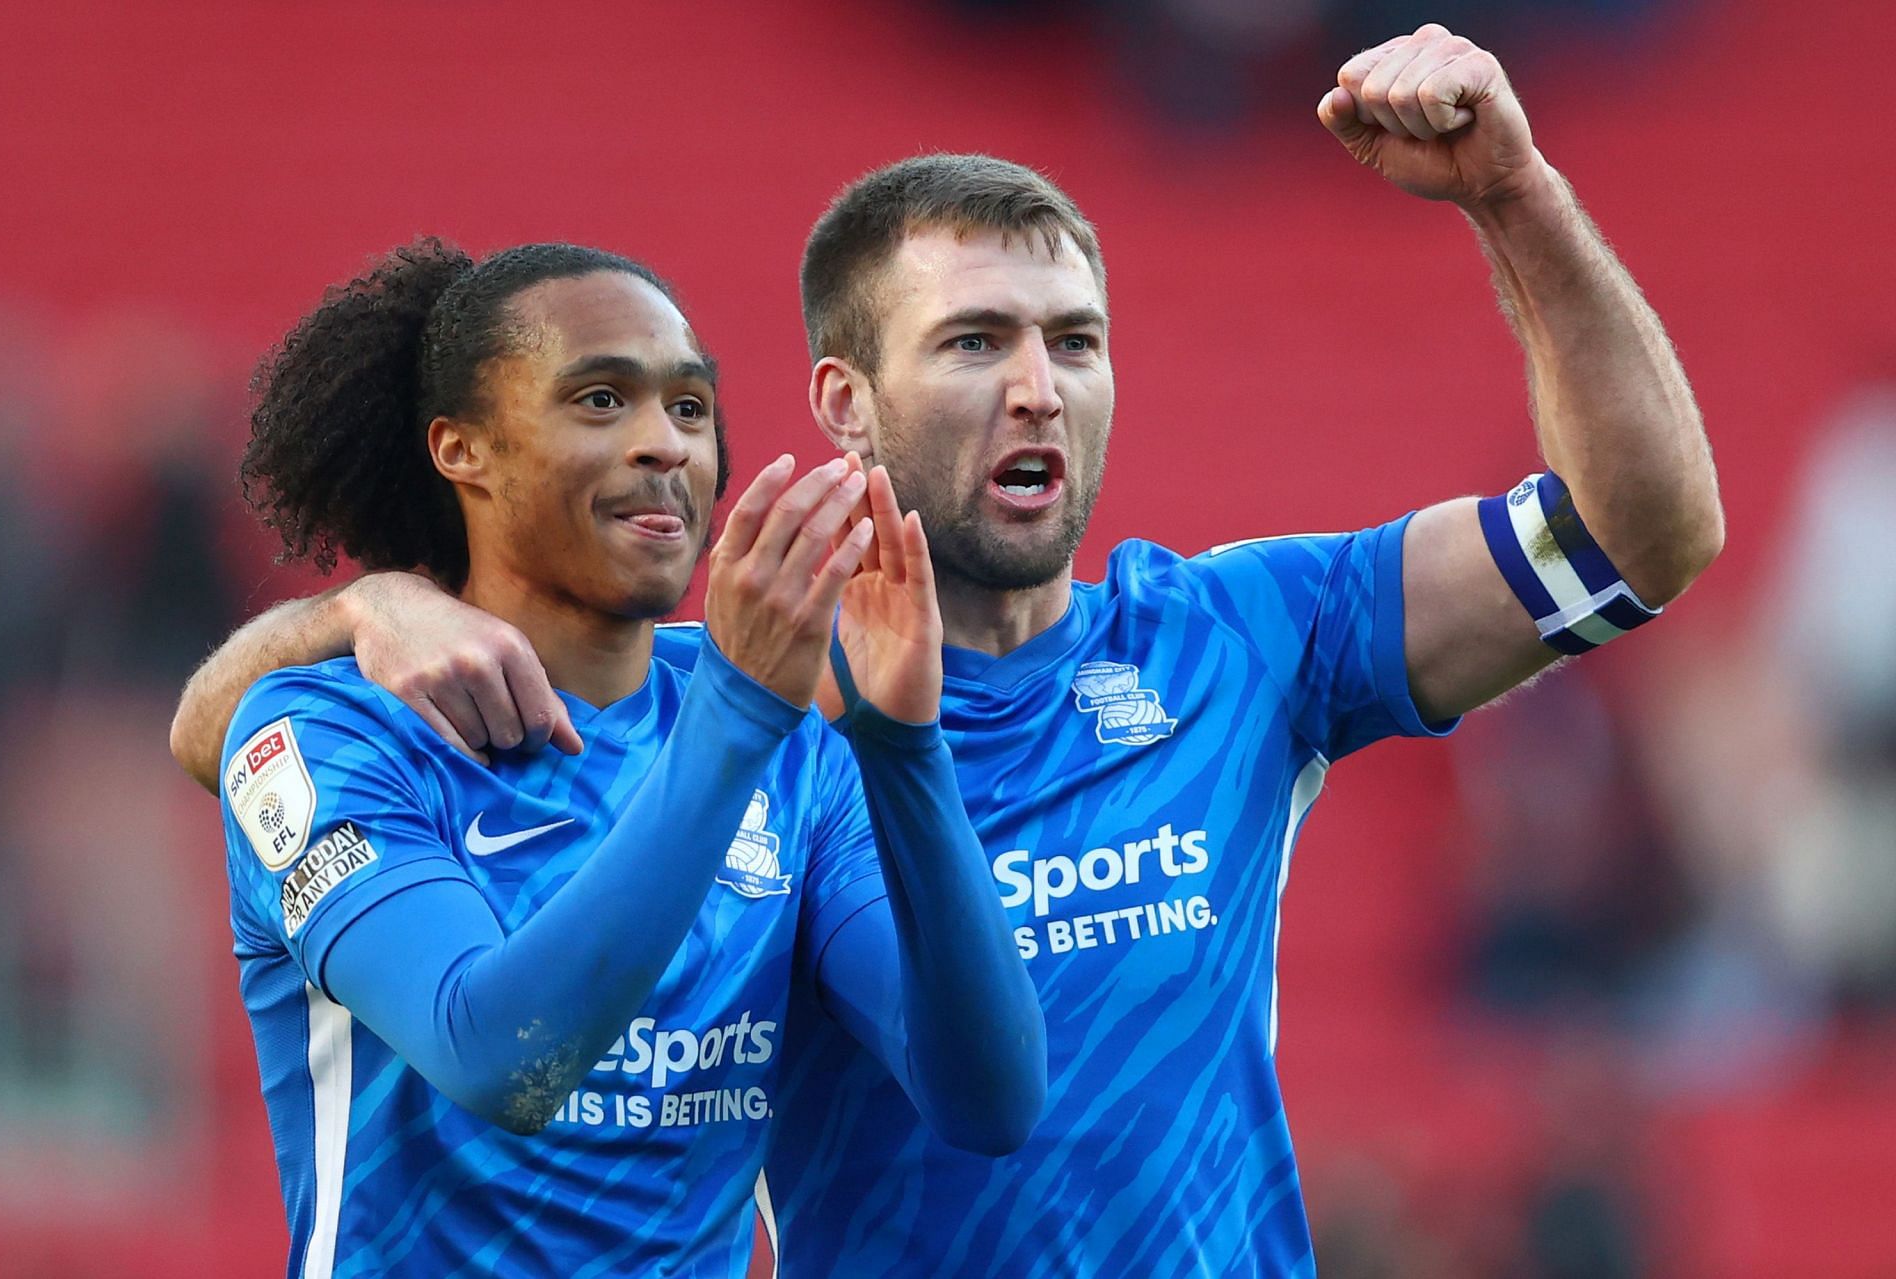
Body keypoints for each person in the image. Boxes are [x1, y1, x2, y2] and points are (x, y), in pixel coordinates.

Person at [172, 26, 1722, 1277]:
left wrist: (1515, 193)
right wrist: (363, 606)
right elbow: (244, 737)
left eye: (1077, 339)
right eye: (977, 340)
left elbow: (1643, 533)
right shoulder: (766, 715)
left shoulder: (1242, 639)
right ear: (845, 401)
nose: (1040, 385)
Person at [205, 239, 1044, 1278]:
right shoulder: (331, 731)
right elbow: (496, 1056)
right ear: (463, 450)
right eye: (601, 400)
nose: (665, 444)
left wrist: (906, 751)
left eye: (689, 408)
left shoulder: (788, 745)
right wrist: (736, 718)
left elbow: (989, 1097)